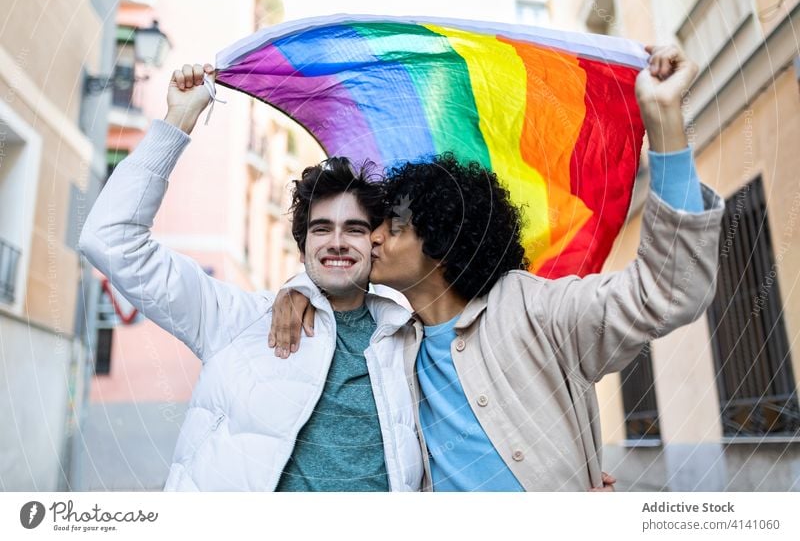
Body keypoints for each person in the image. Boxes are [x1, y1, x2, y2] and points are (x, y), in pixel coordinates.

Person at [270, 45, 725, 491]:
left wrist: (665, 126)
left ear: (442, 240)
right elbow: (331, 278)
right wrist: (298, 291)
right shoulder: (390, 338)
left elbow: (668, 290)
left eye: (391, 228)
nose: (371, 238)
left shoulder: (537, 311)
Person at [79, 63, 423, 491]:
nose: (337, 241)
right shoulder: (239, 320)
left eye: (353, 228)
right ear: (302, 247)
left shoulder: (411, 342)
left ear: (373, 242)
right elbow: (109, 240)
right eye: (321, 229)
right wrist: (178, 121)